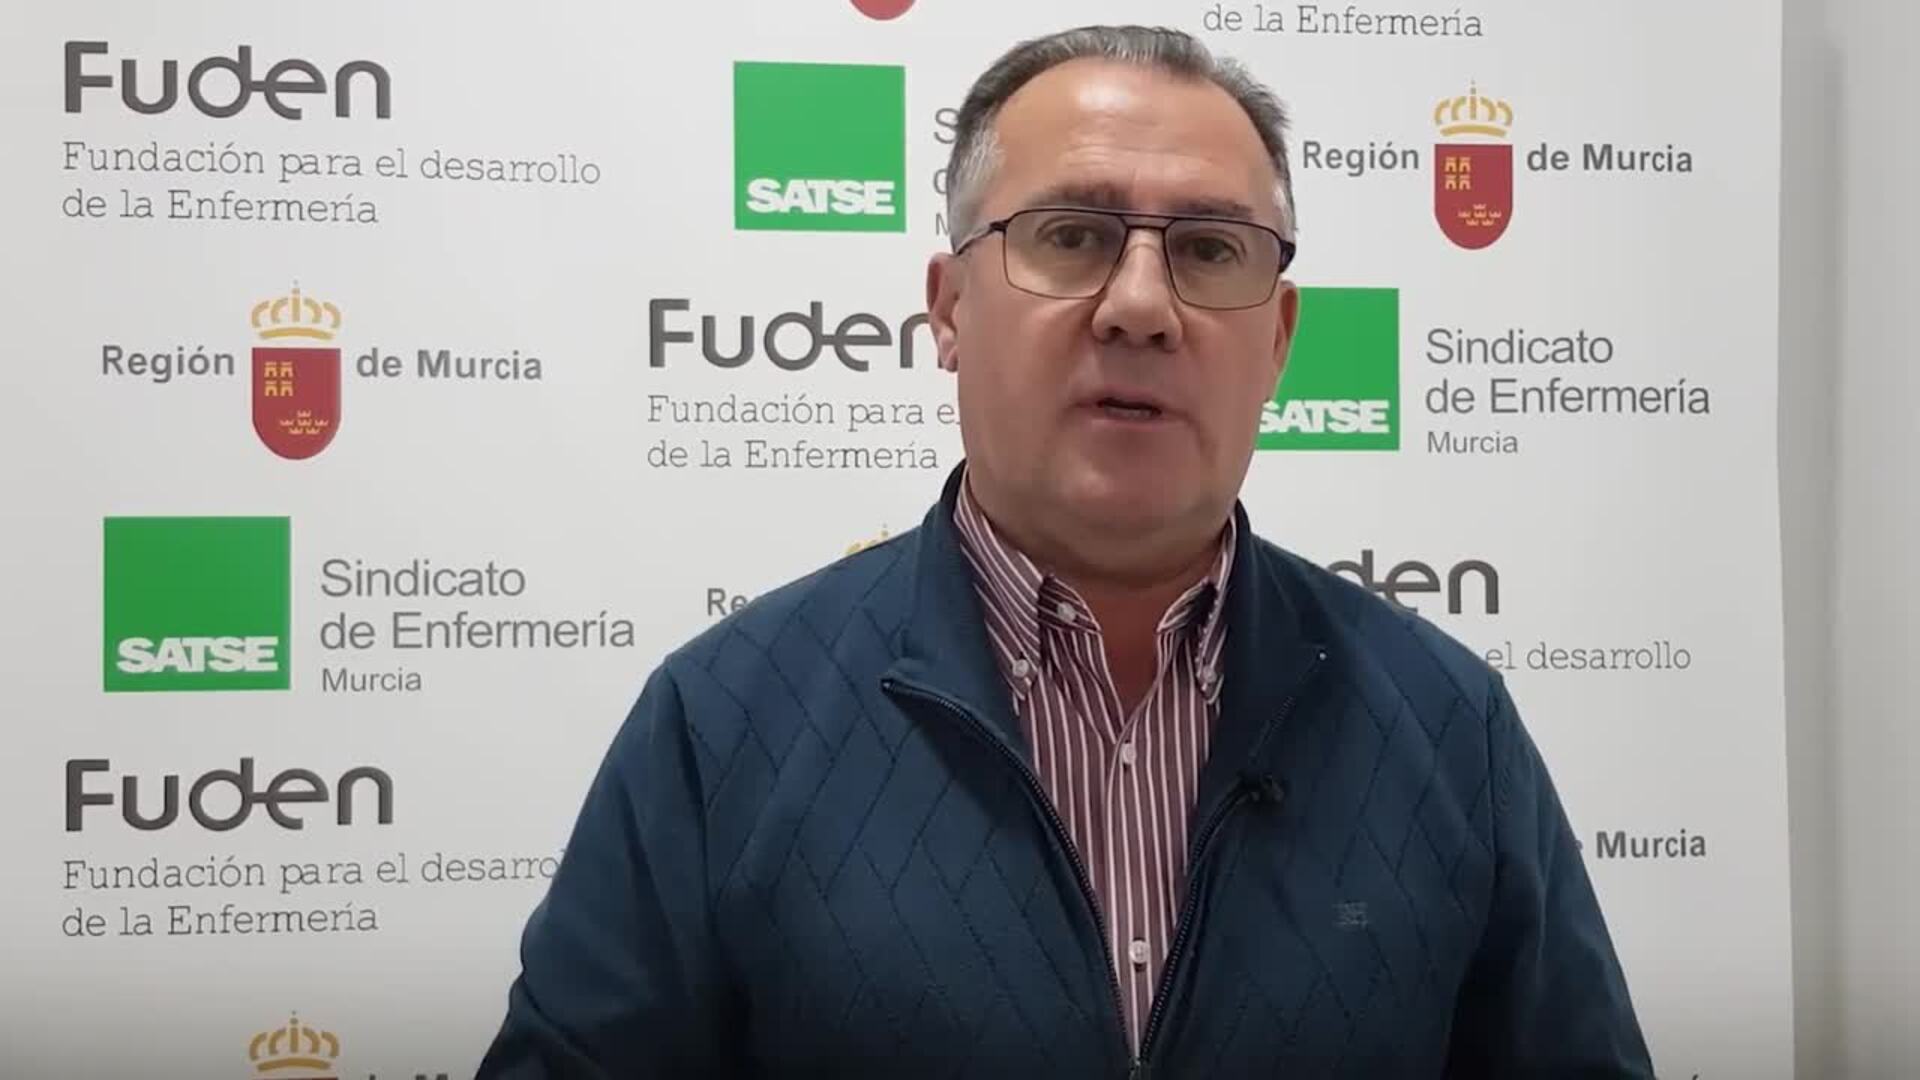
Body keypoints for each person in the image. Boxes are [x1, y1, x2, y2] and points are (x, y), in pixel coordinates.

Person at [478, 24, 1654, 1078]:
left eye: (1210, 250)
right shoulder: (721, 724)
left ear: (1280, 338)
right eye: (1073, 235)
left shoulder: (1448, 725)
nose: (1140, 304)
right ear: (948, 307)